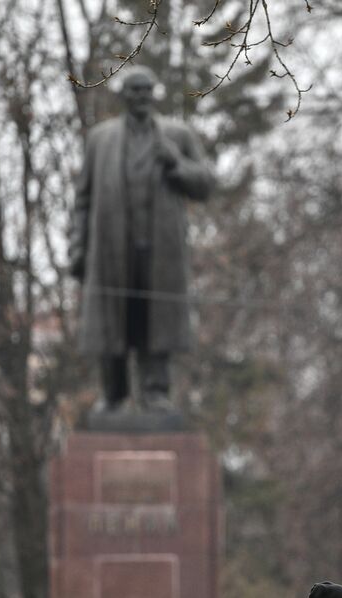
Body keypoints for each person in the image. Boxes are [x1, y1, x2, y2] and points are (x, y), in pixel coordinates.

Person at [69, 65, 214, 417]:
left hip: (160, 249)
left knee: (157, 317)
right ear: (123, 95)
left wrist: (176, 164)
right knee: (112, 320)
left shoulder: (177, 134)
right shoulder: (101, 139)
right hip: (110, 249)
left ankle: (155, 392)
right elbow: (83, 200)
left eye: (147, 90)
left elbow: (206, 183)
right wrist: (77, 247)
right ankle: (114, 395)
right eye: (135, 90)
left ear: (154, 94)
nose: (142, 97)